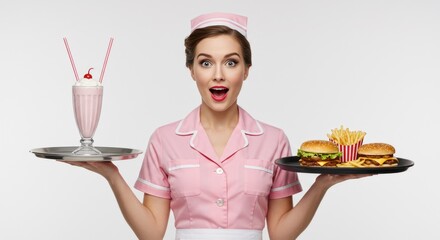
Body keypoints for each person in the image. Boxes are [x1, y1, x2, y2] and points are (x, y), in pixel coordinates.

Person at [67, 12, 370, 240]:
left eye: (231, 62)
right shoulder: (165, 139)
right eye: (206, 62)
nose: (218, 75)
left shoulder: (274, 140)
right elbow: (151, 233)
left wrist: (322, 184)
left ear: (246, 71)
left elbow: (280, 233)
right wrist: (112, 175)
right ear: (191, 71)